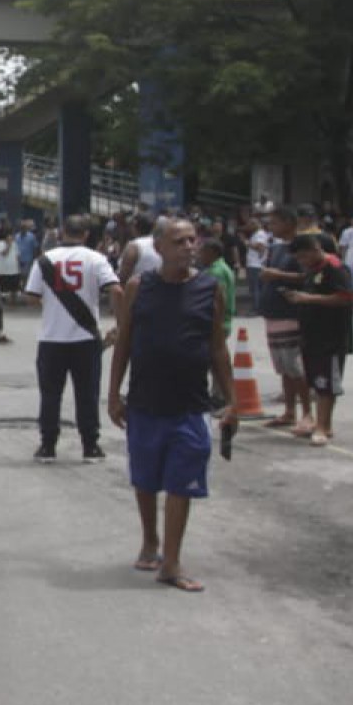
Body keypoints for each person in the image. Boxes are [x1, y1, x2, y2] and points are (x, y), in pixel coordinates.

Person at [107, 218, 235, 593]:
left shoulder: (209, 288)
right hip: (145, 403)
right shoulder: (138, 287)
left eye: (193, 240)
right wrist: (114, 395)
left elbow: (217, 348)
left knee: (182, 482)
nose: (189, 247)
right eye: (180, 241)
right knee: (146, 478)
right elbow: (125, 343)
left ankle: (172, 562)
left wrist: (232, 399)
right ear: (158, 248)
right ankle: (150, 540)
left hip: (191, 406)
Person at [27, 213, 120, 461]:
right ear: (87, 235)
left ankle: (48, 446)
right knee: (87, 393)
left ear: (61, 232)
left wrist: (52, 304)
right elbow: (116, 288)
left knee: (50, 394)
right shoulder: (96, 259)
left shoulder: (44, 261)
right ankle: (90, 446)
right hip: (85, 339)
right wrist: (120, 321)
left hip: (51, 338)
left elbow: (32, 296)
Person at [281, 235, 353, 447]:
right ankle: (324, 424)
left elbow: (345, 297)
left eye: (304, 256)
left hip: (330, 337)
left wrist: (308, 299)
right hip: (311, 334)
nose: (302, 262)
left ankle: (322, 426)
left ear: (315, 249)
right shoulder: (313, 269)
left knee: (326, 383)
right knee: (316, 380)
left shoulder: (335, 268)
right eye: (299, 259)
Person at [255, 205, 314, 434]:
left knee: (295, 366)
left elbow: (306, 276)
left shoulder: (300, 246)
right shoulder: (276, 247)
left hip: (291, 314)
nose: (271, 227)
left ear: (290, 223)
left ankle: (307, 412)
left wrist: (277, 275)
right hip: (273, 313)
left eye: (275, 223)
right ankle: (289, 411)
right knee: (283, 367)